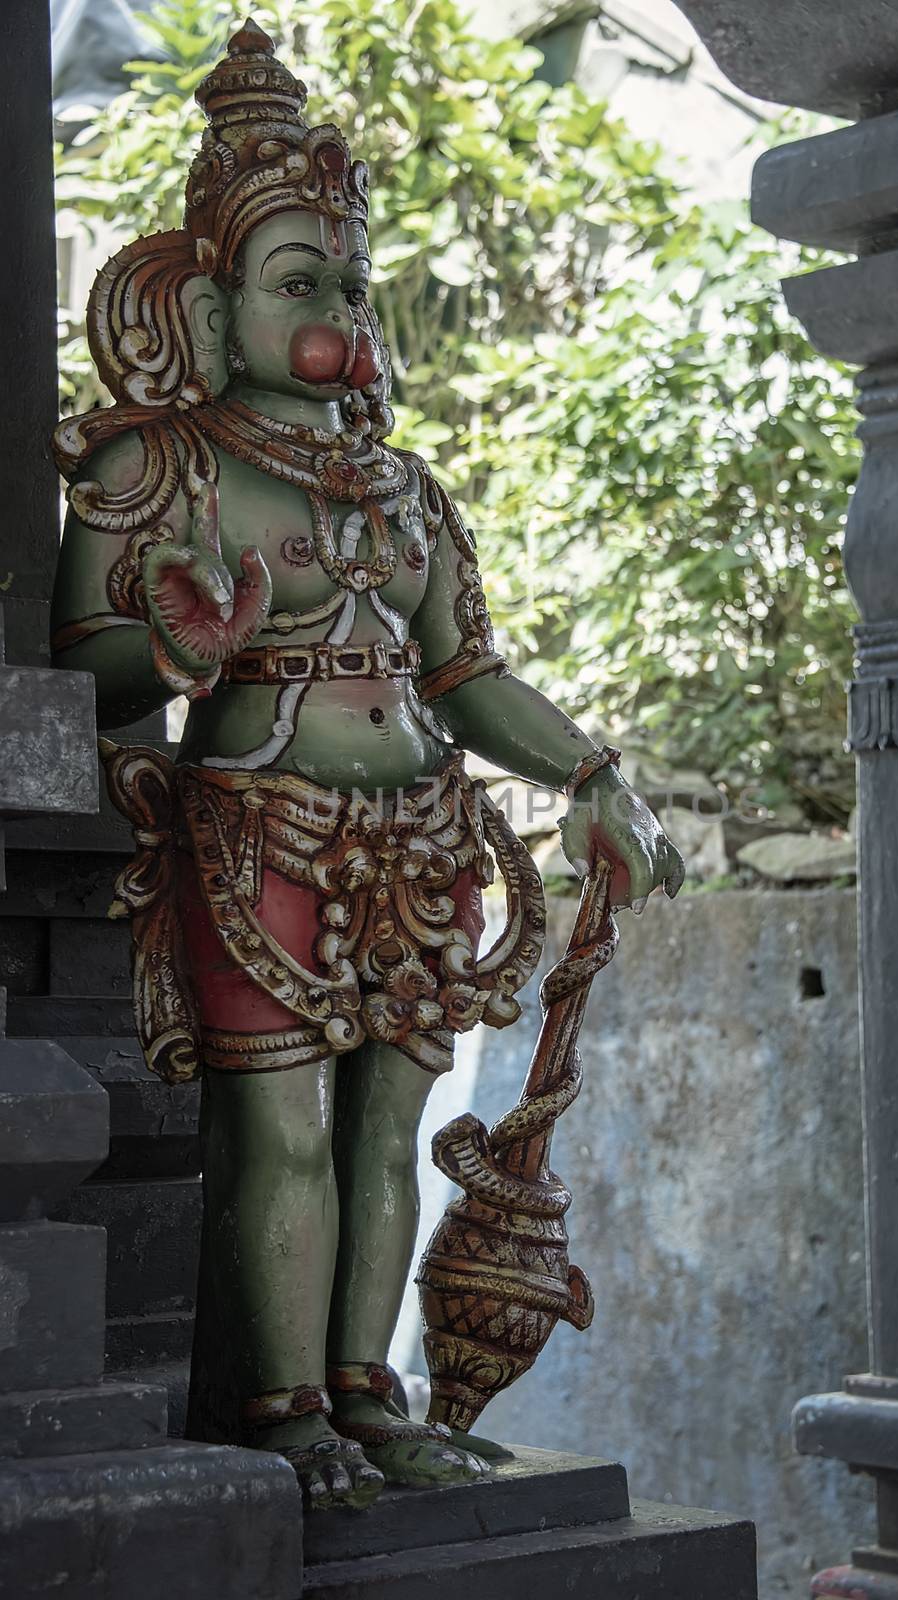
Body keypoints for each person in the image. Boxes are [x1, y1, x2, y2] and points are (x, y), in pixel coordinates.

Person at [52, 21, 684, 1511]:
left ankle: (365, 1392)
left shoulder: (408, 489)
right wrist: (184, 651)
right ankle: (278, 1411)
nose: (340, 311)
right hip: (254, 826)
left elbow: (464, 675)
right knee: (278, 1129)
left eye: (352, 282)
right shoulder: (163, 466)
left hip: (420, 831)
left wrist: (595, 771)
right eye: (299, 281)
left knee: (390, 1127)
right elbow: (78, 670)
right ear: (209, 309)